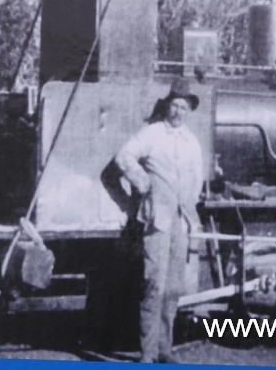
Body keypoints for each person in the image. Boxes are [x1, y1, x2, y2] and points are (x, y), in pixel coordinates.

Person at [115, 78, 204, 364]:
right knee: (153, 284)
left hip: (181, 223)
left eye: (183, 107)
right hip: (158, 222)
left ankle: (165, 349)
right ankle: (148, 353)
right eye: (174, 105)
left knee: (174, 288)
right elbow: (123, 157)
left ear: (189, 110)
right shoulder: (152, 133)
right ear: (167, 106)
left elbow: (197, 179)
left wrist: (190, 205)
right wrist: (142, 184)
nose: (178, 111)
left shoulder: (191, 142)